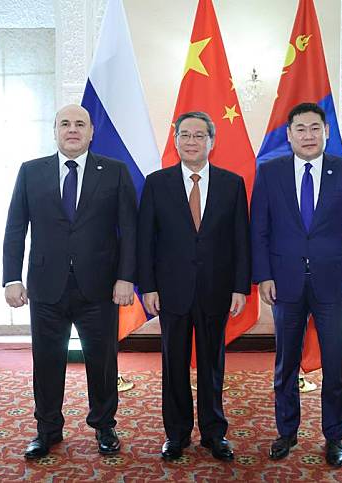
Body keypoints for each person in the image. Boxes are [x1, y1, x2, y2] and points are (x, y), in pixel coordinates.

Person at [2, 104, 137, 460]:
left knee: (103, 361)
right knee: (46, 360)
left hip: (101, 286)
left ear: (92, 132)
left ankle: (104, 426)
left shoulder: (115, 172)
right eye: (65, 123)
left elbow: (131, 231)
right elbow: (16, 228)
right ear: (55, 130)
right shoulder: (31, 172)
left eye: (80, 124)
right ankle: (47, 429)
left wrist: (126, 278)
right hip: (47, 286)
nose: (73, 129)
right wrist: (11, 278)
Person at [250, 102, 342, 467]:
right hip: (284, 282)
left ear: (326, 132)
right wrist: (264, 277)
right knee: (285, 362)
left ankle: (334, 435)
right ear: (289, 135)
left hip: (335, 284)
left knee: (336, 362)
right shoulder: (270, 172)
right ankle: (286, 431)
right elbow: (259, 229)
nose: (308, 135)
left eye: (314, 128)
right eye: (300, 129)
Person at [137, 112, 250, 462]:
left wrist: (239, 287)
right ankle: (177, 434)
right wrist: (149, 287)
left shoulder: (232, 184)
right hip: (171, 291)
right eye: (184, 134)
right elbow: (146, 242)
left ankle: (214, 433)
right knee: (173, 364)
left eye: (199, 135)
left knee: (212, 365)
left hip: (217, 290)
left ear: (211, 142)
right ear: (175, 140)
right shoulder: (157, 183)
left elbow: (240, 241)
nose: (191, 141)